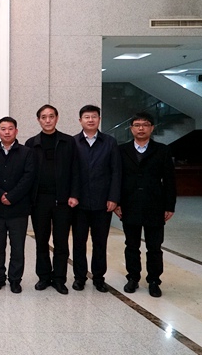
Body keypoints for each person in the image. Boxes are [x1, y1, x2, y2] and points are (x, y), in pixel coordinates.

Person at [115, 112, 176, 298]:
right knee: (131, 245)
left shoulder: (162, 150)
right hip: (129, 204)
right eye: (137, 125)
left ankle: (154, 280)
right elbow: (116, 178)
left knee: (154, 247)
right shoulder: (121, 150)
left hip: (155, 205)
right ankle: (133, 277)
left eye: (145, 124)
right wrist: (116, 202)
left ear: (152, 128)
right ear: (131, 128)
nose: (141, 128)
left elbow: (170, 180)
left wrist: (170, 205)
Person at [25, 105, 79, 295]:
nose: (47, 120)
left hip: (63, 200)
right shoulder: (31, 143)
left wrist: (74, 194)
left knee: (61, 242)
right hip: (39, 200)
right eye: (43, 117)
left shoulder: (68, 141)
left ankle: (59, 279)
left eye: (51, 116)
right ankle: (43, 277)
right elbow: (27, 173)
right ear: (38, 120)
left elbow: (76, 170)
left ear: (57, 118)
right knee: (41, 240)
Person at [72, 104, 121, 293]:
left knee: (100, 242)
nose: (90, 120)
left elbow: (116, 172)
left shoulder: (109, 142)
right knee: (79, 242)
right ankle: (79, 277)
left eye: (94, 116)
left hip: (103, 202)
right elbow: (69, 173)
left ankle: (99, 278)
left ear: (99, 119)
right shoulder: (73, 142)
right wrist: (72, 195)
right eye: (87, 117)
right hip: (79, 203)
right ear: (80, 121)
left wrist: (113, 198)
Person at [0, 117, 35, 294]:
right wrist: (0, 195)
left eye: (10, 128)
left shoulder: (27, 153)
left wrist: (12, 196)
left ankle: (15, 279)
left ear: (16, 131)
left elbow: (28, 177)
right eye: (3, 128)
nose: (7, 132)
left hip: (18, 209)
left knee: (17, 247)